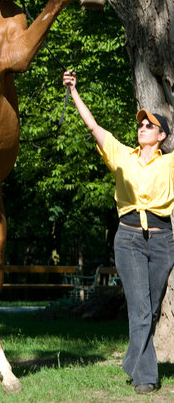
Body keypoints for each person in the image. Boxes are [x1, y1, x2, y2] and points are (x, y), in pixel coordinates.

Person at [62, 70, 174, 395]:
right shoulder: (123, 155)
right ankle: (145, 378)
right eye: (140, 124)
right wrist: (75, 90)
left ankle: (131, 359)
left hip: (163, 238)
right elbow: (94, 127)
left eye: (149, 125)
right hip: (128, 240)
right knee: (140, 308)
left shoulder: (169, 164)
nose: (142, 128)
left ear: (162, 136)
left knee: (150, 309)